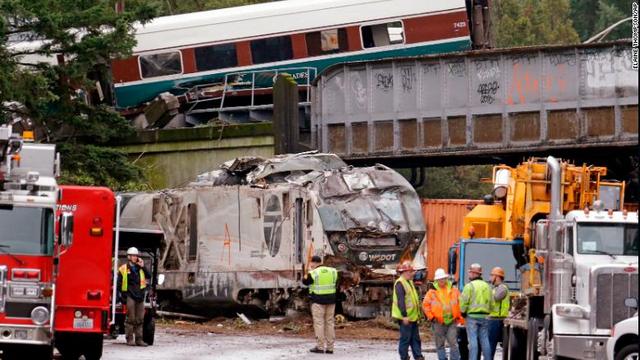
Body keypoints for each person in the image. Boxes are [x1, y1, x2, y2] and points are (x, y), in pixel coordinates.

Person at [423, 268, 463, 360]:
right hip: (438, 322)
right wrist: (431, 317)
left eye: (443, 278)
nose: (442, 280)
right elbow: (425, 305)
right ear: (436, 280)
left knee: (453, 343)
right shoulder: (431, 292)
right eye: (440, 279)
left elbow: (461, 304)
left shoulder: (454, 290)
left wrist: (460, 318)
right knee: (440, 344)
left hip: (452, 321)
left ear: (446, 278)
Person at [302, 255, 338, 354]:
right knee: (330, 323)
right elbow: (336, 283)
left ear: (313, 263)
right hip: (331, 300)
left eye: (311, 263)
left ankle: (320, 347)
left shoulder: (313, 273)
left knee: (319, 323)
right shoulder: (333, 271)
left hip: (318, 301)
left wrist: (306, 273)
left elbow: (305, 282)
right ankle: (330, 348)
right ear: (321, 262)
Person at [117, 247, 151, 346]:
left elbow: (148, 276)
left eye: (136, 255)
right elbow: (119, 284)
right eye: (133, 255)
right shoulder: (123, 268)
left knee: (140, 319)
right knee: (130, 318)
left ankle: (139, 340)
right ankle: (130, 339)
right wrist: (123, 297)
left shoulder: (140, 268)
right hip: (130, 296)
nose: (135, 257)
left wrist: (143, 266)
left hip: (140, 296)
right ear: (129, 257)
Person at [392, 261, 424, 360]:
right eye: (411, 271)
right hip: (405, 317)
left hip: (412, 317)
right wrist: (404, 315)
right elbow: (401, 300)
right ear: (405, 272)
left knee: (415, 339)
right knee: (405, 339)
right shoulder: (400, 283)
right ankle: (404, 357)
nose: (413, 273)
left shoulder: (409, 282)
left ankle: (418, 356)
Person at [459, 263, 492, 360]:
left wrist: (463, 312)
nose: (469, 274)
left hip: (472, 317)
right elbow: (492, 303)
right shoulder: (487, 286)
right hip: (484, 317)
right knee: (485, 340)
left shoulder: (469, 286)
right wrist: (488, 312)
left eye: (470, 272)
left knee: (473, 341)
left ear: (474, 273)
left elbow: (464, 301)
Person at [488, 267, 510, 359]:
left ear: (497, 277)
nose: (489, 278)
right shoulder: (495, 288)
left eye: (491, 275)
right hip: (493, 319)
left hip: (497, 320)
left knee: (491, 345)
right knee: (489, 346)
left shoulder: (502, 289)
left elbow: (496, 298)